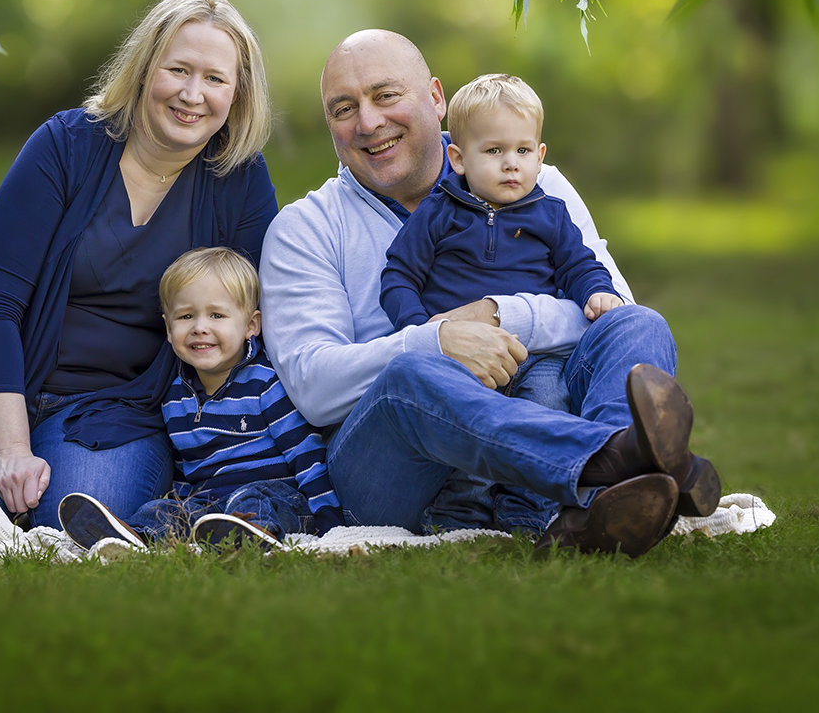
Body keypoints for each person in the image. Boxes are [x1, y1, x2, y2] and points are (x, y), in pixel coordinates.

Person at [260, 30, 720, 558]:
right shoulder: (305, 228)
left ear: (437, 99)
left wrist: (500, 316)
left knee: (640, 325)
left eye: (386, 95)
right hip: (394, 475)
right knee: (413, 375)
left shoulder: (533, 182)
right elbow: (314, 386)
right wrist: (436, 341)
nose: (367, 122)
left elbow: (609, 307)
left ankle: (609, 503)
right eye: (344, 109)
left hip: (536, 392)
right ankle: (614, 464)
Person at [0, 0, 278, 533]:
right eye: (177, 69)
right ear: (144, 68)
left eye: (215, 79)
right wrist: (11, 448)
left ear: (237, 93)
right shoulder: (66, 145)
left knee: (74, 525)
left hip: (118, 409)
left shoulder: (240, 181)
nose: (192, 94)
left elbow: (251, 324)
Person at [377, 72, 627, 534]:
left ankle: (528, 510)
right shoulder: (439, 212)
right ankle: (461, 512)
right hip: (464, 354)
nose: (511, 164)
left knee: (547, 406)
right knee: (468, 422)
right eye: (493, 151)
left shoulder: (550, 213)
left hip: (538, 357)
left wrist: (597, 293)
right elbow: (398, 277)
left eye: (523, 151)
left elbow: (579, 264)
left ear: (540, 155)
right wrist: (424, 331)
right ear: (458, 158)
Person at [58, 247, 341, 557]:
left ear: (251, 325)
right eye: (186, 316)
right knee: (163, 508)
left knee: (251, 498)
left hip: (280, 501)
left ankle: (254, 536)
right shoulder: (175, 399)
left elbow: (307, 456)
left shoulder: (266, 384)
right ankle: (134, 537)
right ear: (168, 329)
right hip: (213, 505)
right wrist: (179, 508)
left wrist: (328, 519)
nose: (199, 327)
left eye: (216, 315)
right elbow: (187, 471)